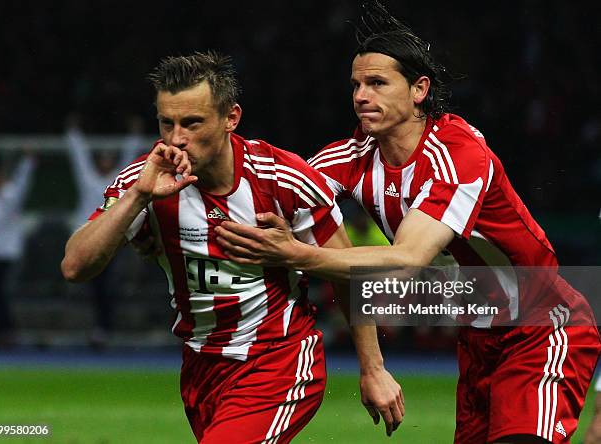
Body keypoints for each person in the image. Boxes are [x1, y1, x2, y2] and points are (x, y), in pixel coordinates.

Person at [214, 3, 601, 443]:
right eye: (356, 84)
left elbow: (407, 259)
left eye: (377, 83)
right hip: (477, 341)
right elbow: (270, 185)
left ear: (419, 89)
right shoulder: (352, 157)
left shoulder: (458, 157)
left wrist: (295, 253)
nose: (361, 95)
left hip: (541, 327)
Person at [61, 51, 402, 442]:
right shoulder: (147, 179)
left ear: (231, 118)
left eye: (192, 123)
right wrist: (137, 197)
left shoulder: (283, 179)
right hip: (200, 367)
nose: (176, 139)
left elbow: (348, 272)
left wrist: (373, 369)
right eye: (166, 123)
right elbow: (75, 266)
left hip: (278, 360)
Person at [64, 114, 144, 346]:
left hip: (113, 240)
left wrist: (134, 135)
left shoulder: (118, 180)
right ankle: (97, 328)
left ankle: (105, 327)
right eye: (103, 160)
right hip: (88, 238)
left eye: (110, 160)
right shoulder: (89, 179)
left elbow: (130, 159)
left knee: (110, 285)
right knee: (93, 286)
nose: (106, 163)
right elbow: (79, 159)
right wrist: (73, 134)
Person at [0, 152, 35, 347]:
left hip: (8, 253)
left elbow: (22, 182)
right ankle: (2, 330)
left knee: (2, 293)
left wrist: (27, 162)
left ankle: (7, 330)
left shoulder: (11, 194)